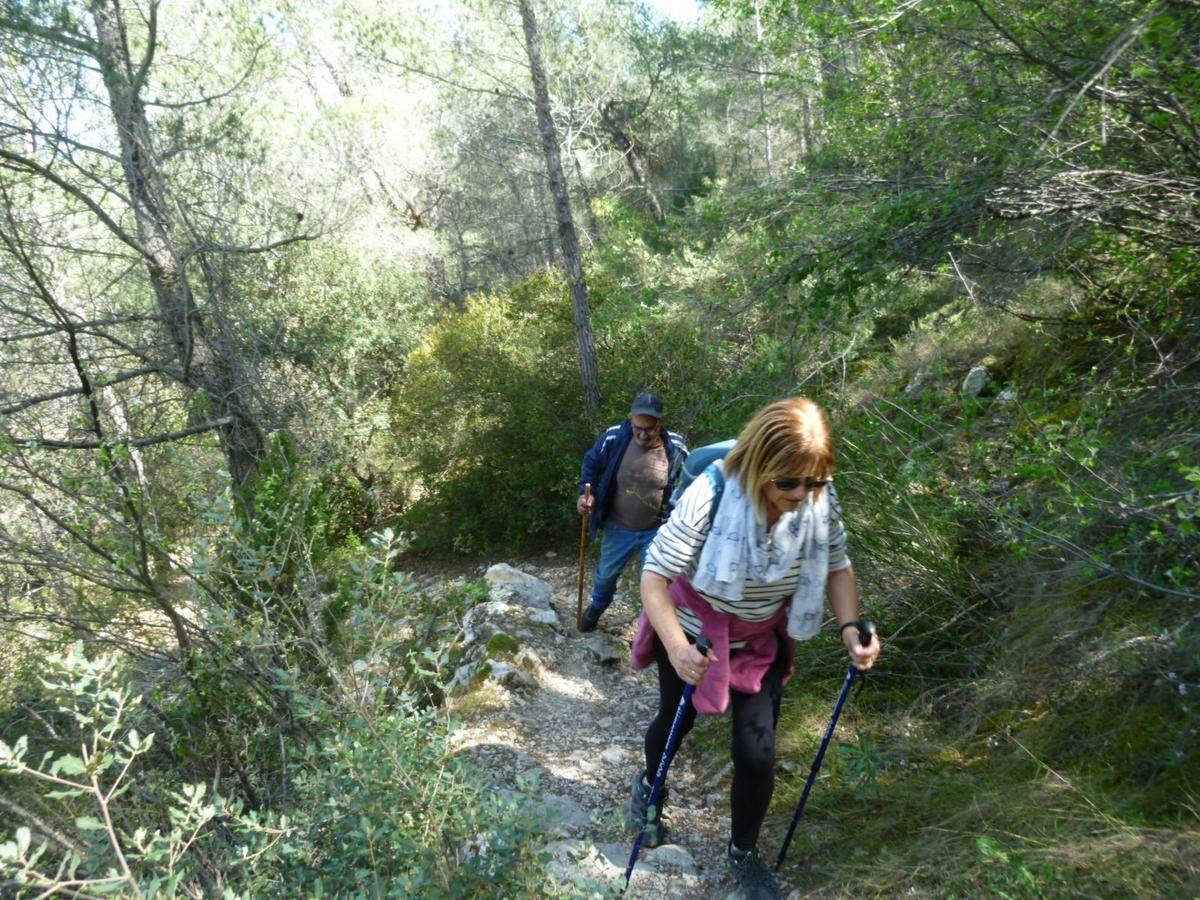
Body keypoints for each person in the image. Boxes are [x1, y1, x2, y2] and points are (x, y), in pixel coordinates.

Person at [628, 397, 881, 899]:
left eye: (814, 482)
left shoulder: (817, 498)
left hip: (760, 636)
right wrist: (677, 649)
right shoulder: (714, 490)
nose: (801, 494)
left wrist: (851, 627)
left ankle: (744, 851)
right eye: (787, 482)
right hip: (692, 629)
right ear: (758, 465)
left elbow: (837, 564)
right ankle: (649, 788)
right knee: (674, 723)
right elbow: (654, 578)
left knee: (757, 750)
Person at [577, 392, 689, 633]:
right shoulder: (615, 436)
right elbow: (591, 463)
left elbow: (687, 484)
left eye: (648, 429)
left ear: (660, 423)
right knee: (606, 576)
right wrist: (586, 494)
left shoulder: (676, 448)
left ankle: (649, 632)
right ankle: (597, 607)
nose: (641, 434)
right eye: (637, 427)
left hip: (657, 532)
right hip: (618, 528)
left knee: (654, 585)